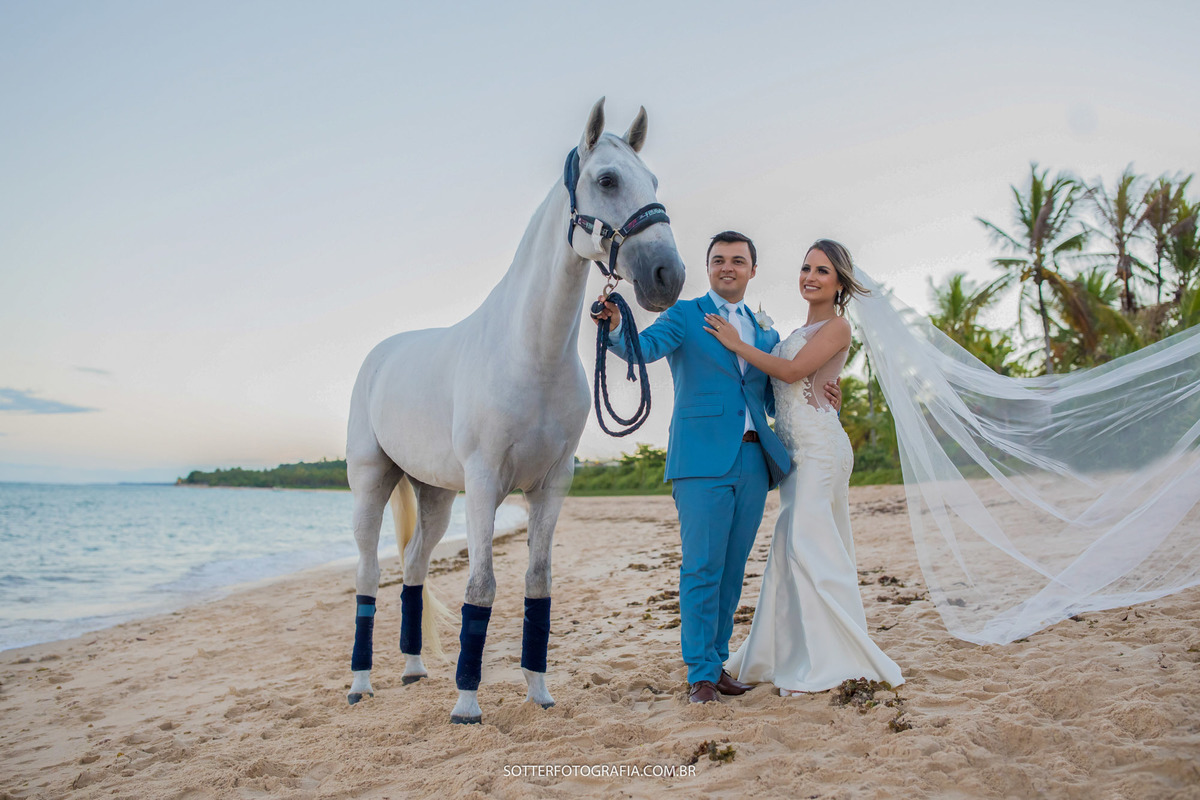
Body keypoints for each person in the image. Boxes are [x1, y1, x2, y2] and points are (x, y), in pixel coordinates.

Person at [593, 231, 840, 703]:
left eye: (738, 260)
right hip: (700, 461)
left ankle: (719, 661)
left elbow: (773, 394)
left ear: (752, 270)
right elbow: (641, 350)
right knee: (701, 567)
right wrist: (613, 325)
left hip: (753, 460)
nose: (728, 267)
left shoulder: (764, 331)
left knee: (731, 569)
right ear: (708, 268)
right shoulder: (685, 315)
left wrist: (823, 387)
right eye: (719, 260)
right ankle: (700, 675)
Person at [707, 239, 904, 694]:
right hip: (796, 451)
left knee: (813, 546)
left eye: (822, 271)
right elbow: (808, 384)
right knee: (791, 547)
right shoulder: (795, 332)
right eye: (806, 268)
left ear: (839, 284)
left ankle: (835, 659)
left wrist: (737, 343)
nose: (810, 277)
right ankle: (791, 654)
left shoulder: (837, 327)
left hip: (819, 448)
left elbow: (793, 374)